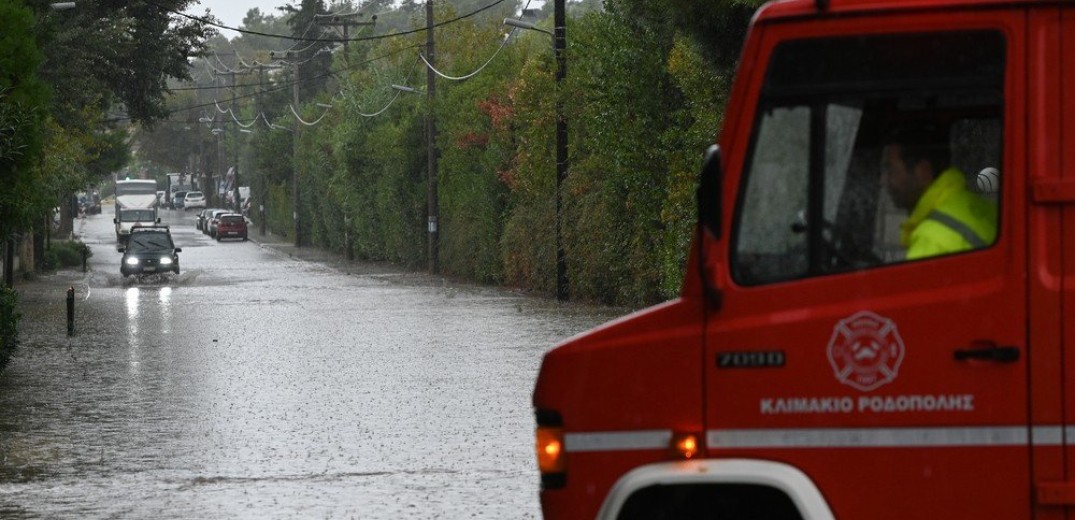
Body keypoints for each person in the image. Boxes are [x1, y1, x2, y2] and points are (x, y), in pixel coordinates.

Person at [880, 125, 997, 260]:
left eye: (891, 171)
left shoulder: (931, 242)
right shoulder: (977, 206)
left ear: (923, 171)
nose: (884, 181)